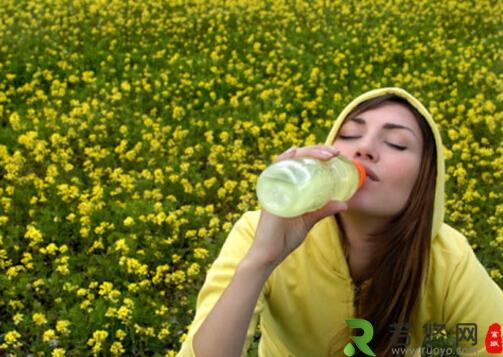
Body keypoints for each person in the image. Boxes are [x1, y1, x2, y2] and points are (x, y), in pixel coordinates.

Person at [176, 87, 503, 356]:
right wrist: (261, 259)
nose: (364, 148)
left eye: (396, 144)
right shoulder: (259, 231)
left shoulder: (446, 258)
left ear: (425, 182)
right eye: (348, 135)